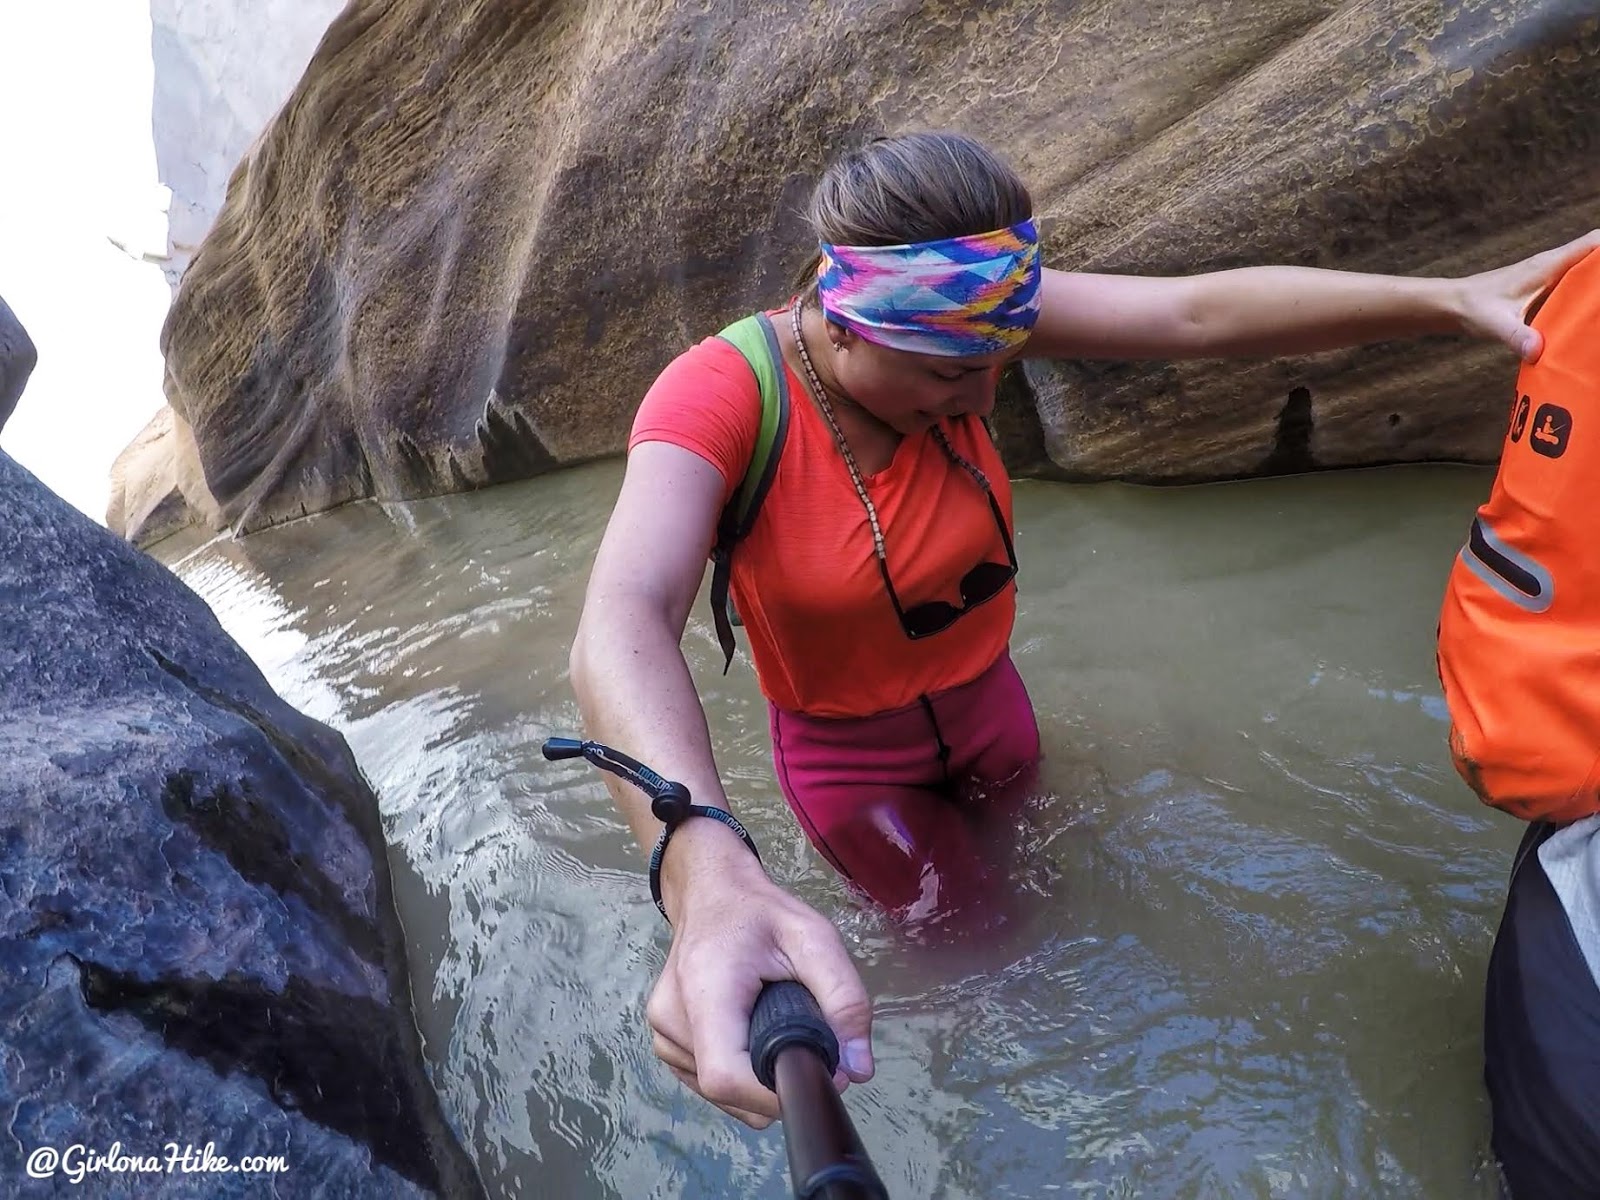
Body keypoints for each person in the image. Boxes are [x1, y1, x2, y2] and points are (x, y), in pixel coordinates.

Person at [567, 129, 1600, 1129]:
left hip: (990, 706)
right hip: (853, 766)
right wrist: (698, 867)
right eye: (946, 374)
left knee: (1046, 859)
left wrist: (1450, 299)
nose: (982, 392)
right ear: (843, 326)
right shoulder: (719, 396)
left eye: (1002, 358)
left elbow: (1197, 313)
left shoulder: (964, 316)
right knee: (983, 949)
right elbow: (621, 618)